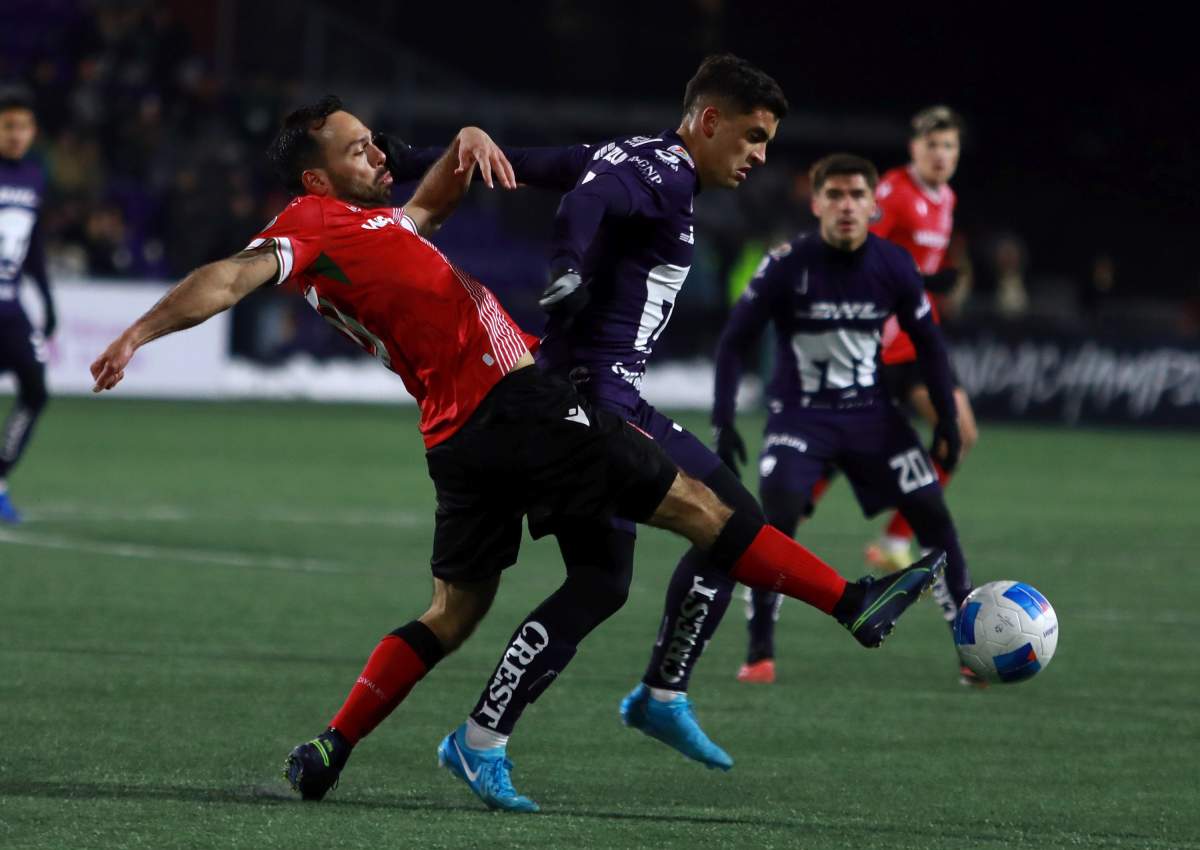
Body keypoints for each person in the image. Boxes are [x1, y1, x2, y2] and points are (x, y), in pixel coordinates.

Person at [87, 97, 944, 812]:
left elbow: (425, 211)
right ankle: (850, 605)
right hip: (517, 406)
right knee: (697, 506)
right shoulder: (311, 223)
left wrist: (461, 150)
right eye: (357, 148)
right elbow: (230, 277)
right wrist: (139, 331)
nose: (376, 152)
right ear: (316, 177)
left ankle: (333, 745)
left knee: (461, 611)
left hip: (458, 440)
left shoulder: (365, 228)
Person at [433, 54, 858, 802]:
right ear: (709, 121)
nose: (760, 156)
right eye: (753, 137)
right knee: (729, 531)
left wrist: (416, 157)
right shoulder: (660, 171)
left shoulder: (639, 157)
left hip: (597, 398)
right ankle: (655, 692)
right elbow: (586, 201)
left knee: (605, 581)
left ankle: (502, 734)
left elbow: (531, 165)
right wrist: (564, 263)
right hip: (592, 407)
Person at [714, 154, 976, 692]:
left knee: (933, 514)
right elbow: (733, 342)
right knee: (775, 518)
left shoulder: (895, 265)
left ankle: (972, 645)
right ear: (816, 204)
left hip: (870, 416)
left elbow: (929, 345)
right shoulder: (787, 263)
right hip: (800, 417)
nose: (847, 206)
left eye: (857, 195)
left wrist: (947, 419)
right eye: (834, 195)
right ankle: (760, 650)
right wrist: (723, 419)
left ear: (874, 205)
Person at [0, 86, 55, 524]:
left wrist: (47, 299)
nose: (16, 135)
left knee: (35, 392)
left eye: (23, 127)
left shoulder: (34, 177)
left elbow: (33, 245)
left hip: (11, 309)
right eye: (8, 126)